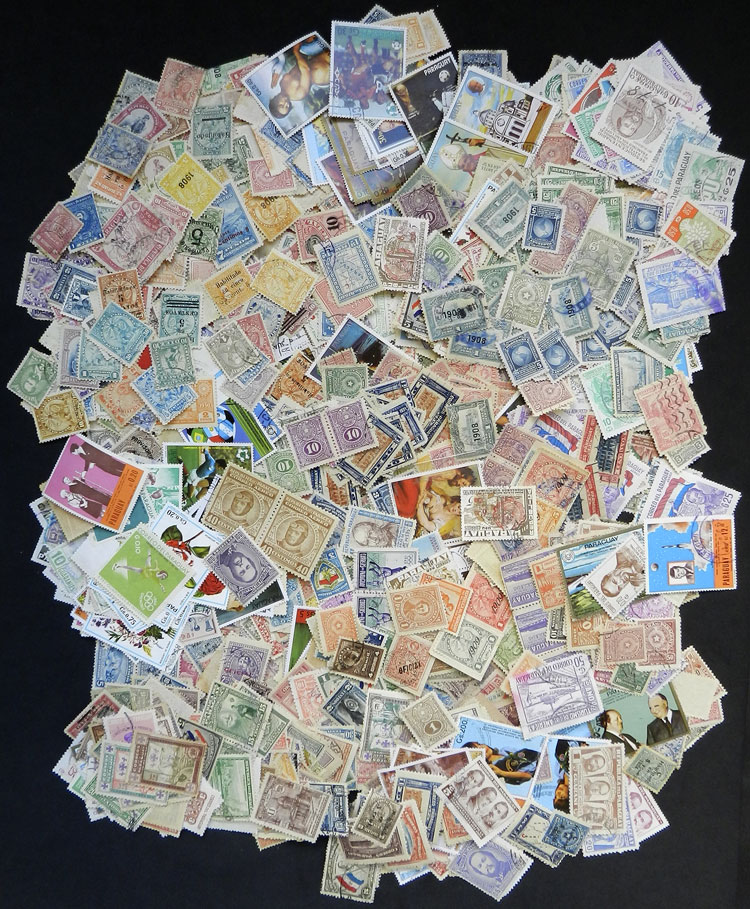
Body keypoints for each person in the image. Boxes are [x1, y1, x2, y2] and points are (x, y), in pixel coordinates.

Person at [268, 39, 330, 121]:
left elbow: (299, 64)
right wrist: (296, 52)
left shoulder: (281, 83)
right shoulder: (298, 95)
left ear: (274, 102)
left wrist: (281, 62)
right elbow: (306, 69)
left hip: (316, 59)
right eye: (287, 107)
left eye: (281, 105)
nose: (286, 103)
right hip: (324, 69)